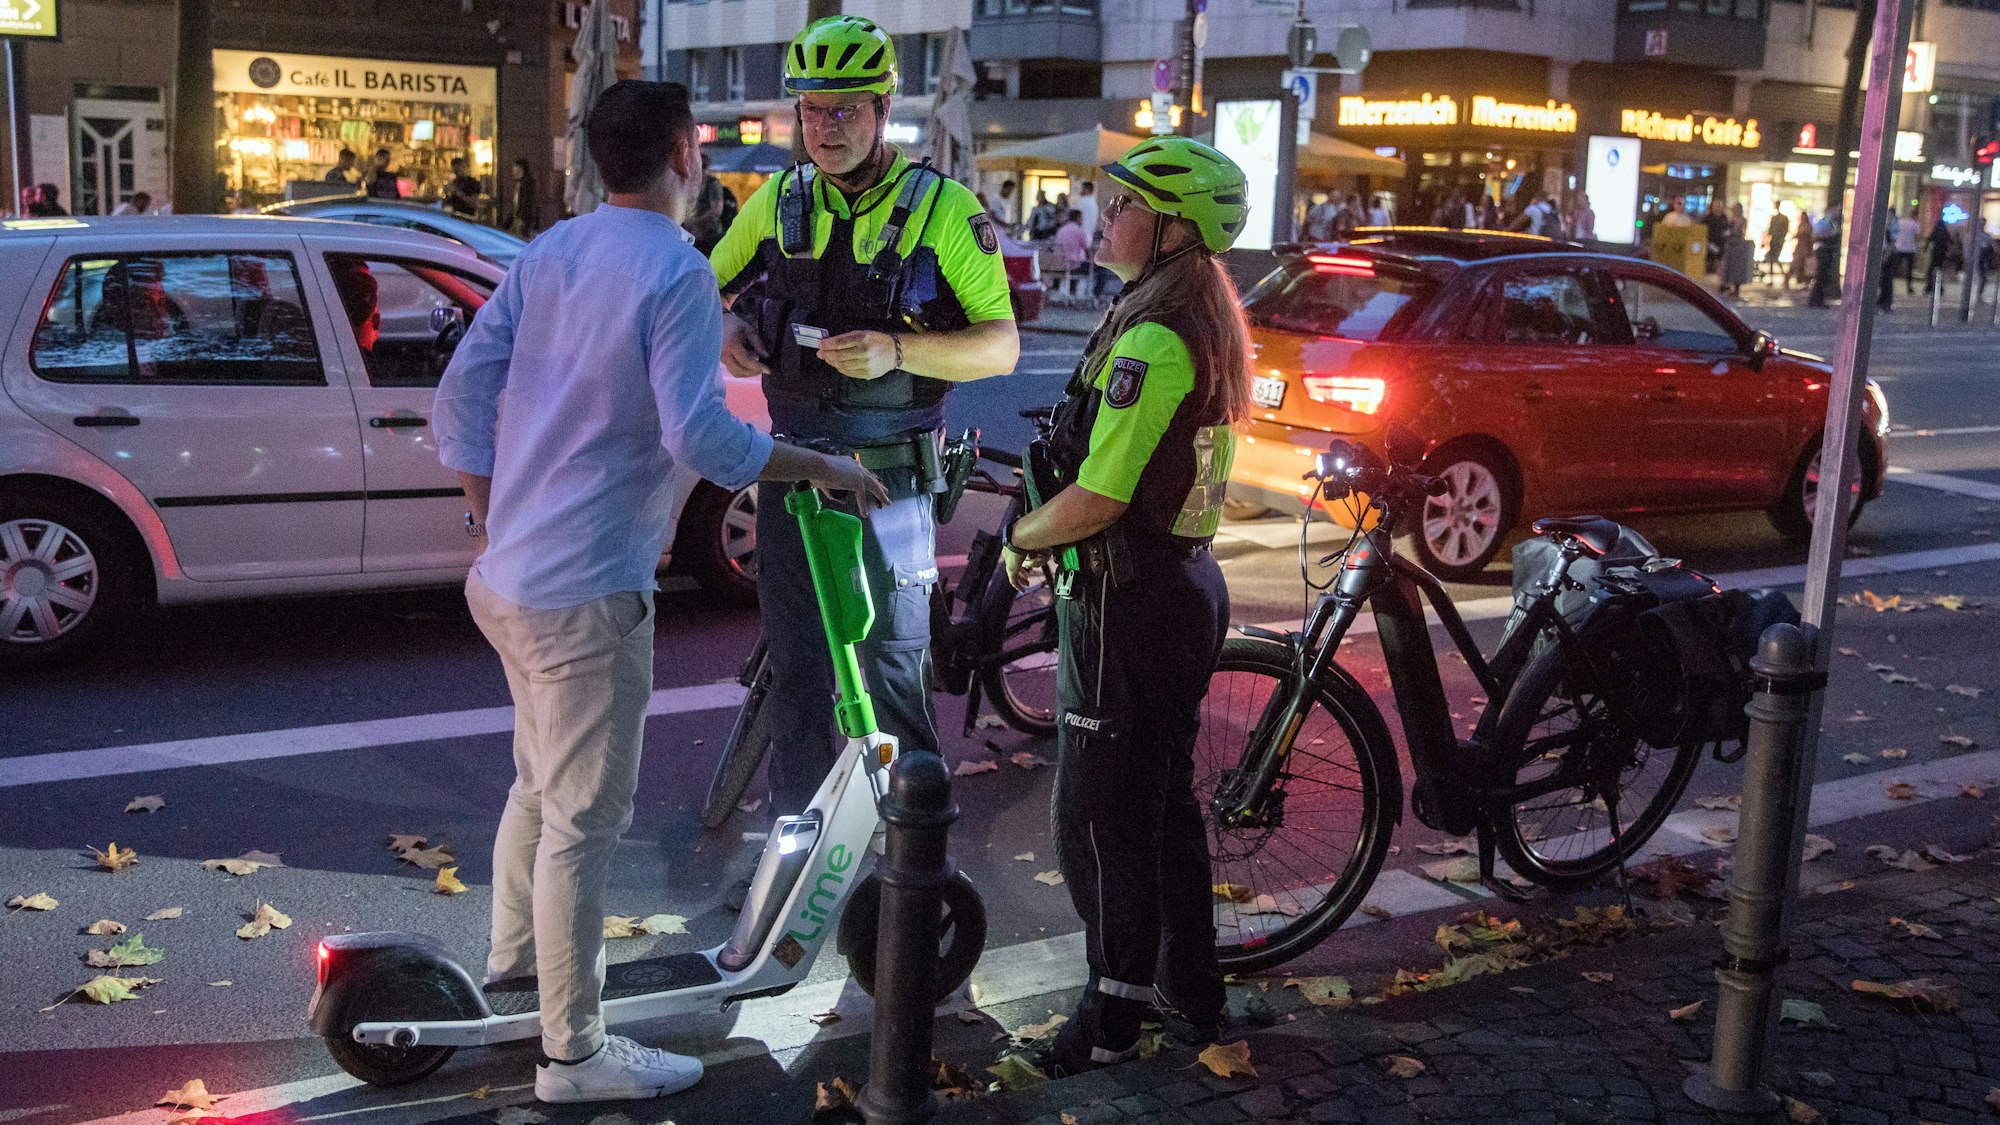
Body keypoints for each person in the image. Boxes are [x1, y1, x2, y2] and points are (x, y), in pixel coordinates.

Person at [433, 79, 887, 1103]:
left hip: (508, 578)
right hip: (588, 589)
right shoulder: (675, 270)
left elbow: (461, 391)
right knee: (582, 821)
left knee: (538, 788)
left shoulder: (551, 250)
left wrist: (492, 515)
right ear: (685, 152)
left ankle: (519, 975)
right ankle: (572, 1053)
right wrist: (820, 466)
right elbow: (701, 436)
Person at [709, 15, 1019, 821]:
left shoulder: (945, 210)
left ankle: (914, 852)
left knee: (893, 670)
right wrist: (724, 325)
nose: (825, 127)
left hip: (893, 481)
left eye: (845, 109)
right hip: (792, 478)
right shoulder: (778, 200)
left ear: (884, 109)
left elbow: (1002, 346)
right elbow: (699, 288)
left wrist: (898, 351)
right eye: (812, 109)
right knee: (800, 671)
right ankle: (803, 848)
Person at [1000, 135, 1248, 1075]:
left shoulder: (1155, 335)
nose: (1106, 214)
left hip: (1129, 601)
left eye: (1127, 202)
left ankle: (1109, 1021)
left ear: (1176, 229)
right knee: (1161, 801)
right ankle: (1190, 989)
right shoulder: (1196, 311)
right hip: (1177, 588)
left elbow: (1099, 498)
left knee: (1097, 818)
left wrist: (1022, 539)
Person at [685, 153, 739, 255]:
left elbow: (717, 209)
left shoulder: (712, 183)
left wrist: (695, 220)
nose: (701, 169)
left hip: (710, 234)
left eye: (703, 166)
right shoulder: (690, 182)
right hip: (693, 234)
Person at [1809, 202, 1843, 307]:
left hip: (1827, 251)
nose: (1838, 212)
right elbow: (1816, 235)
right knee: (1821, 276)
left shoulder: (1833, 223)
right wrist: (1829, 235)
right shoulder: (1825, 222)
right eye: (1837, 210)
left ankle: (1818, 299)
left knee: (1824, 276)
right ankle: (1816, 300)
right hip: (1823, 250)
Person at [1053, 208, 1091, 302]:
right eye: (1081, 218)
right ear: (1078, 218)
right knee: (1096, 269)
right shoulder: (1079, 231)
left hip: (1059, 264)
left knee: (1073, 265)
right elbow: (1086, 247)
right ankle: (1074, 292)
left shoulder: (1061, 229)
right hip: (1073, 265)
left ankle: (1058, 290)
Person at [509, 157, 544, 237]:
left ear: (520, 168)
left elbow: (526, 203)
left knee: (522, 239)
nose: (513, 170)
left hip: (524, 221)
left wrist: (522, 219)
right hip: (521, 220)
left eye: (515, 167)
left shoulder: (527, 183)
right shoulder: (520, 183)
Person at [1893, 208, 1919, 293]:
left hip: (1899, 247)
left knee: (1895, 266)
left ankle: (1890, 284)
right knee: (1909, 269)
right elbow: (1917, 236)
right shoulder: (1915, 224)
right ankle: (1909, 287)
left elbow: (1895, 232)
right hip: (1910, 248)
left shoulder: (1900, 222)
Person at [1788, 209, 1816, 288]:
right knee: (1797, 264)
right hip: (1800, 247)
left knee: (1804, 266)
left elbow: (1809, 238)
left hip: (1805, 248)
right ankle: (1797, 279)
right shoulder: (1801, 225)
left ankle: (1804, 281)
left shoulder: (1808, 226)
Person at [1763, 209, 1790, 283]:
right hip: (1775, 241)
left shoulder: (1783, 218)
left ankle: (1783, 276)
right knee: (1773, 260)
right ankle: (1774, 278)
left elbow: (1784, 229)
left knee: (1774, 259)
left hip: (1778, 241)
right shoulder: (1775, 218)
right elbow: (1771, 230)